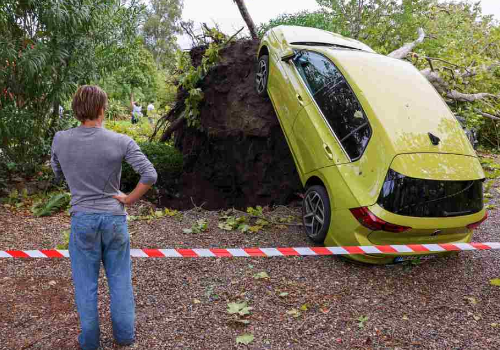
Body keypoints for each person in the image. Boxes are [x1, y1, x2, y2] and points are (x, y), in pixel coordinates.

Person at [51, 85, 157, 350]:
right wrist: (130, 199)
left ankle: (90, 342)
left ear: (76, 109)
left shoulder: (60, 139)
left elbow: (57, 173)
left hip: (82, 218)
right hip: (113, 219)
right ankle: (124, 337)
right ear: (102, 109)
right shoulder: (121, 141)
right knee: (120, 279)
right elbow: (150, 175)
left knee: (85, 284)